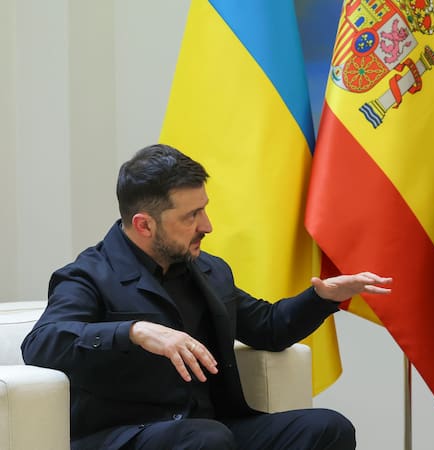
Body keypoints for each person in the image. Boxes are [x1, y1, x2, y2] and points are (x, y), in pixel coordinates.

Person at [21, 144, 392, 450]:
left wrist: (323, 298)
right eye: (192, 215)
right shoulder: (89, 274)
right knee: (205, 438)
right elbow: (41, 343)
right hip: (125, 436)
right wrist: (134, 331)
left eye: (204, 209)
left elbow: (267, 328)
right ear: (144, 225)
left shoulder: (208, 271)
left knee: (327, 427)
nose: (207, 226)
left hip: (211, 430)